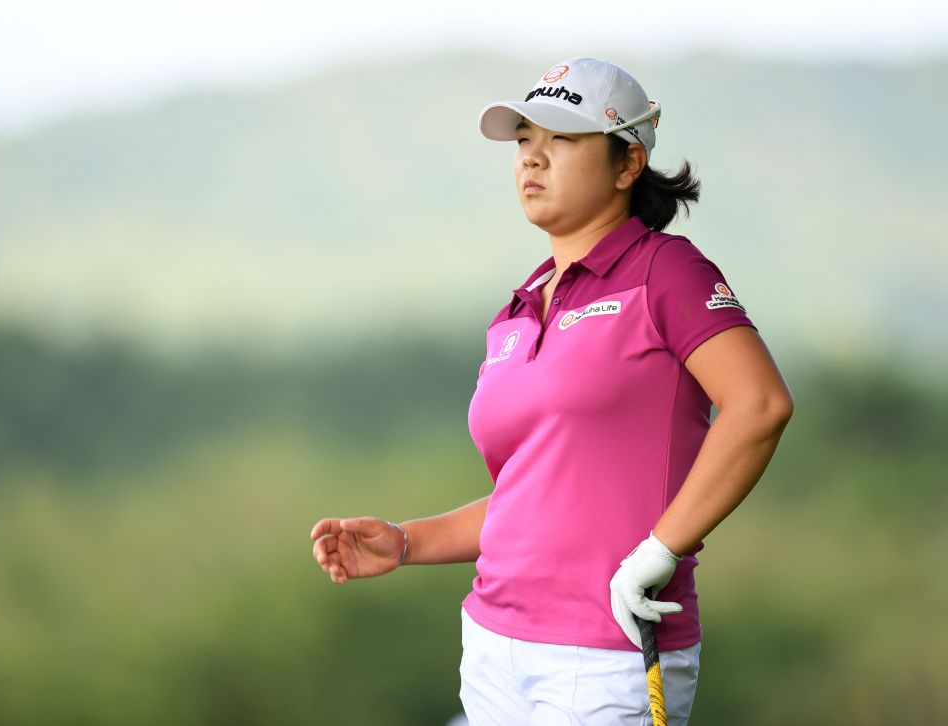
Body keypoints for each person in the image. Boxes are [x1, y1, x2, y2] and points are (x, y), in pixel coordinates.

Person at [309, 57, 793, 725]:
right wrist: (408, 542)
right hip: (491, 644)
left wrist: (661, 549)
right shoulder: (514, 311)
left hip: (608, 651)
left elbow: (760, 406)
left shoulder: (666, 271)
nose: (533, 159)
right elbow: (532, 494)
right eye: (523, 142)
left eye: (562, 140)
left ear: (627, 165)